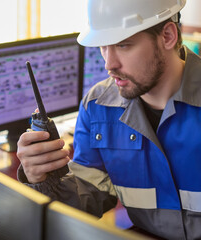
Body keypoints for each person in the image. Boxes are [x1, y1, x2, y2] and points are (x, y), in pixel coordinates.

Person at [16, 0, 201, 239]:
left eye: (123, 45)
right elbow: (84, 201)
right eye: (103, 46)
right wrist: (41, 178)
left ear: (167, 36)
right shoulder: (97, 108)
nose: (109, 64)